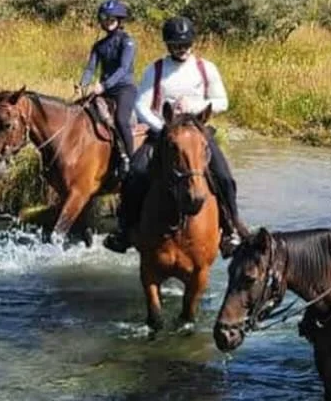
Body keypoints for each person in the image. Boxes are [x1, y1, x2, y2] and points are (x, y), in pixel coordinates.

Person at [105, 15, 248, 255]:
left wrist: (194, 106)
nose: (181, 49)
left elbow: (222, 101)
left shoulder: (206, 68)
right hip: (163, 134)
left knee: (223, 177)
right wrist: (163, 129)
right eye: (176, 45)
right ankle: (125, 229)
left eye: (185, 44)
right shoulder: (155, 69)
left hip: (197, 134)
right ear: (168, 45)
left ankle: (231, 229)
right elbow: (141, 105)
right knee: (135, 173)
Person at [78, 0, 137, 170]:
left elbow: (123, 69)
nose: (108, 22)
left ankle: (130, 159)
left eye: (112, 18)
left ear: (119, 20)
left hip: (124, 89)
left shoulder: (127, 41)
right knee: (81, 111)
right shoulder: (99, 45)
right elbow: (90, 68)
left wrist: (104, 85)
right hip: (104, 89)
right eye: (105, 18)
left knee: (121, 120)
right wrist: (82, 84)